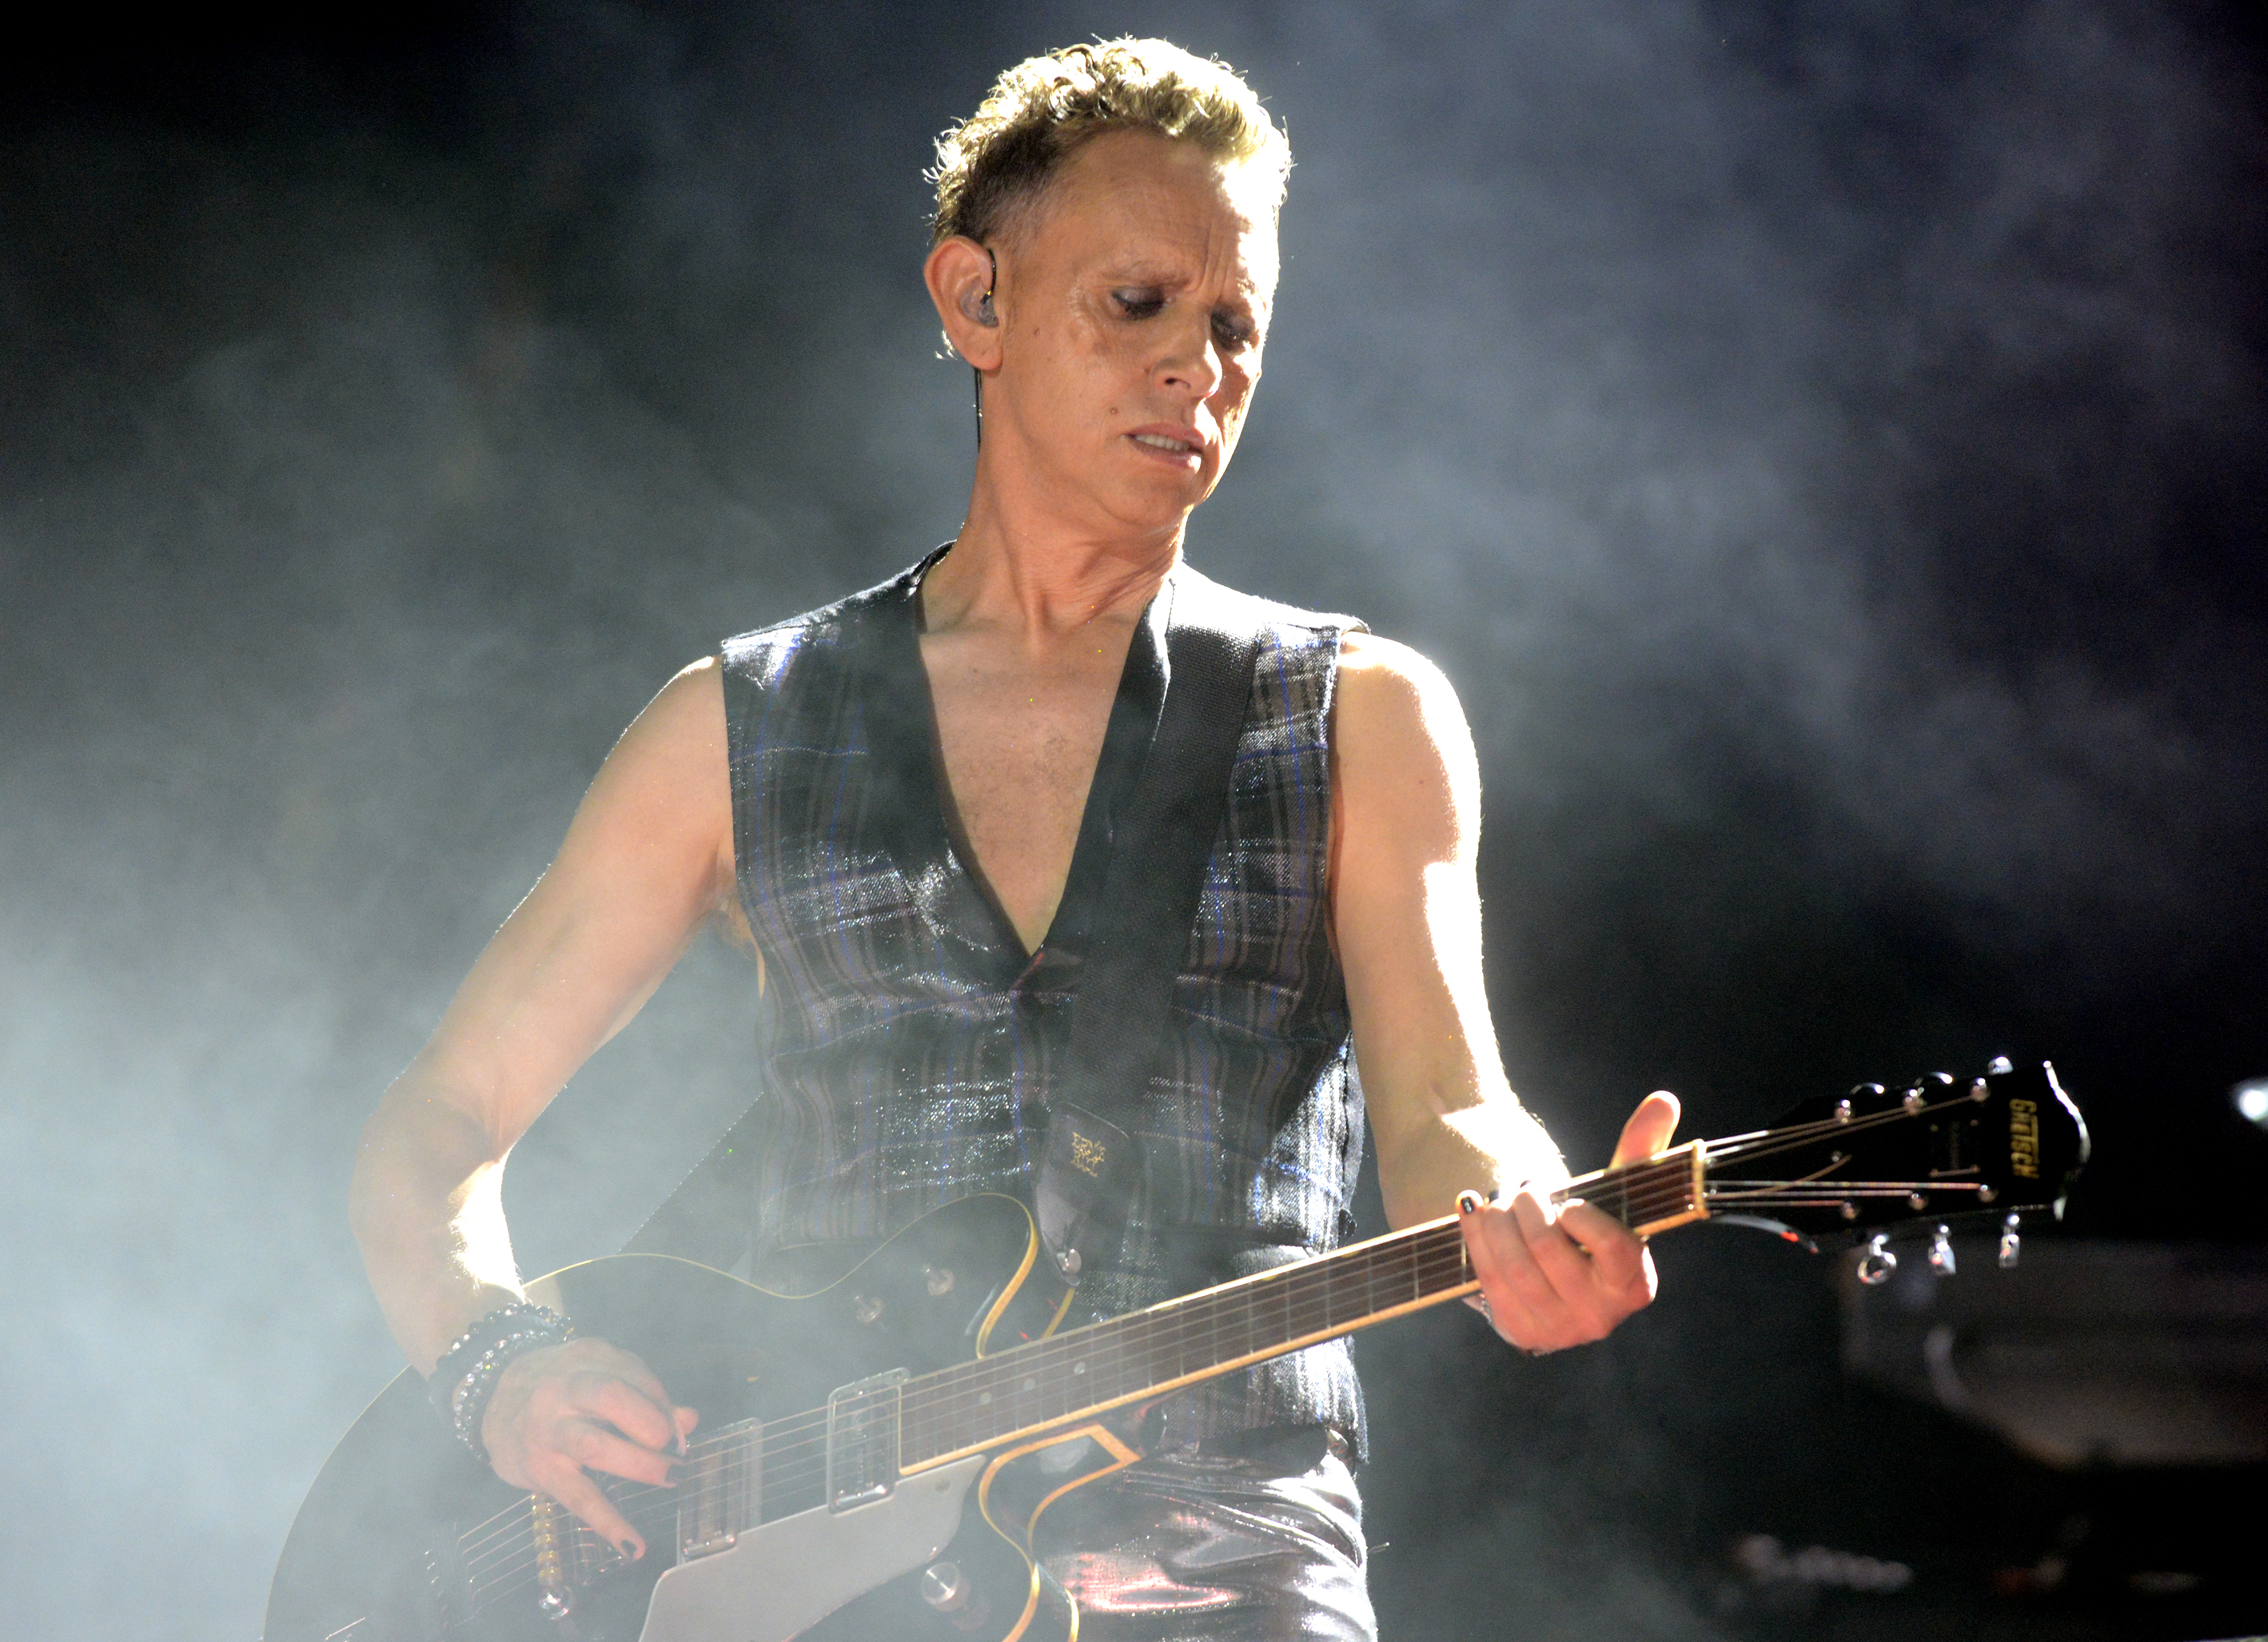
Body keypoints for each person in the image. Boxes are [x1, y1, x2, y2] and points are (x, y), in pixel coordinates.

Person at [350, 38, 1679, 1640]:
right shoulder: (740, 724)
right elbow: (439, 1122)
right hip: (814, 1576)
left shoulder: (1361, 714)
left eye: (1235, 324)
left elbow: (1453, 1111)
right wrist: (502, 1364)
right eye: (1139, 305)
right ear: (973, 300)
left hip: (1231, 1568)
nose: (1200, 365)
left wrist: (1529, 1209)